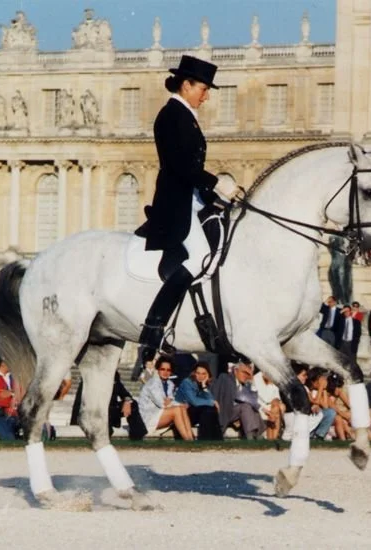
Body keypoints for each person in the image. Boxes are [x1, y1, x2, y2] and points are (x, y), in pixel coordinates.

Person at [134, 55, 242, 361]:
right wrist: (219, 184)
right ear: (186, 84)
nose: (206, 96)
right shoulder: (170, 116)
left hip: (192, 199)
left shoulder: (185, 116)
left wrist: (217, 197)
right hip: (175, 204)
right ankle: (154, 327)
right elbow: (180, 166)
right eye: (204, 89)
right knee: (200, 257)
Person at [138, 356, 194, 440]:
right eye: (162, 369)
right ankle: (187, 441)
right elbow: (162, 403)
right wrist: (171, 401)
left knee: (182, 408)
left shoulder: (169, 383)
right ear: (158, 369)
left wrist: (173, 402)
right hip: (148, 419)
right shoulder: (152, 383)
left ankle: (191, 439)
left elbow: (170, 401)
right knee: (177, 409)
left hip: (160, 414)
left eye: (168, 370)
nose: (165, 372)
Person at [210, 361, 262, 439]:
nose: (246, 376)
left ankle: (255, 436)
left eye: (249, 374)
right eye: (244, 372)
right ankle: (251, 437)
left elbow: (254, 402)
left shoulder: (246, 385)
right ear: (235, 370)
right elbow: (217, 394)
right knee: (245, 406)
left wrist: (252, 381)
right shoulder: (225, 378)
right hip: (224, 412)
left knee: (250, 407)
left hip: (240, 414)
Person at [175, 362, 222, 440]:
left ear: (207, 375)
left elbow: (210, 400)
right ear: (194, 373)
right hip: (182, 414)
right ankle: (208, 439)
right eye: (198, 373)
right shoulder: (187, 382)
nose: (201, 376)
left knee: (210, 409)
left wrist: (204, 387)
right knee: (208, 409)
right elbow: (195, 402)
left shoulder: (202, 384)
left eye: (204, 374)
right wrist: (212, 402)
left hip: (194, 412)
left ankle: (215, 440)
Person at [253, 370, 285, 440]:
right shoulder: (255, 379)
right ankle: (271, 439)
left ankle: (273, 438)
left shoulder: (273, 379)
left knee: (276, 408)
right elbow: (253, 399)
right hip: (259, 407)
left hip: (271, 407)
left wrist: (275, 403)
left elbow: (276, 398)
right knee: (274, 411)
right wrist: (266, 410)